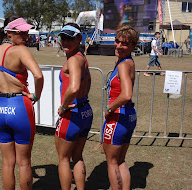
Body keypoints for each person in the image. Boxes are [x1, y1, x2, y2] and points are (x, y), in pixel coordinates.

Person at [0, 16, 44, 190]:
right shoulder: (21, 51)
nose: (26, 35)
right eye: (22, 32)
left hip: (0, 108)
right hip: (20, 107)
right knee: (24, 163)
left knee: (7, 163)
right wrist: (36, 96)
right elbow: (38, 75)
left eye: (27, 32)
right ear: (9, 33)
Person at [55, 23, 93, 190]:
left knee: (64, 159)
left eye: (70, 38)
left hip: (72, 114)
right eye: (63, 38)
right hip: (85, 110)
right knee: (77, 156)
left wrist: (63, 106)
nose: (65, 42)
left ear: (79, 39)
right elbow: (88, 83)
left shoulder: (74, 60)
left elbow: (74, 87)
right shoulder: (83, 58)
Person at [102, 25, 138, 190]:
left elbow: (126, 95)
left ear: (133, 46)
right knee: (120, 160)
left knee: (112, 162)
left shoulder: (124, 65)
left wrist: (109, 109)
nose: (118, 46)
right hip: (128, 116)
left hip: (118, 116)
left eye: (124, 43)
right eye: (117, 41)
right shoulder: (127, 62)